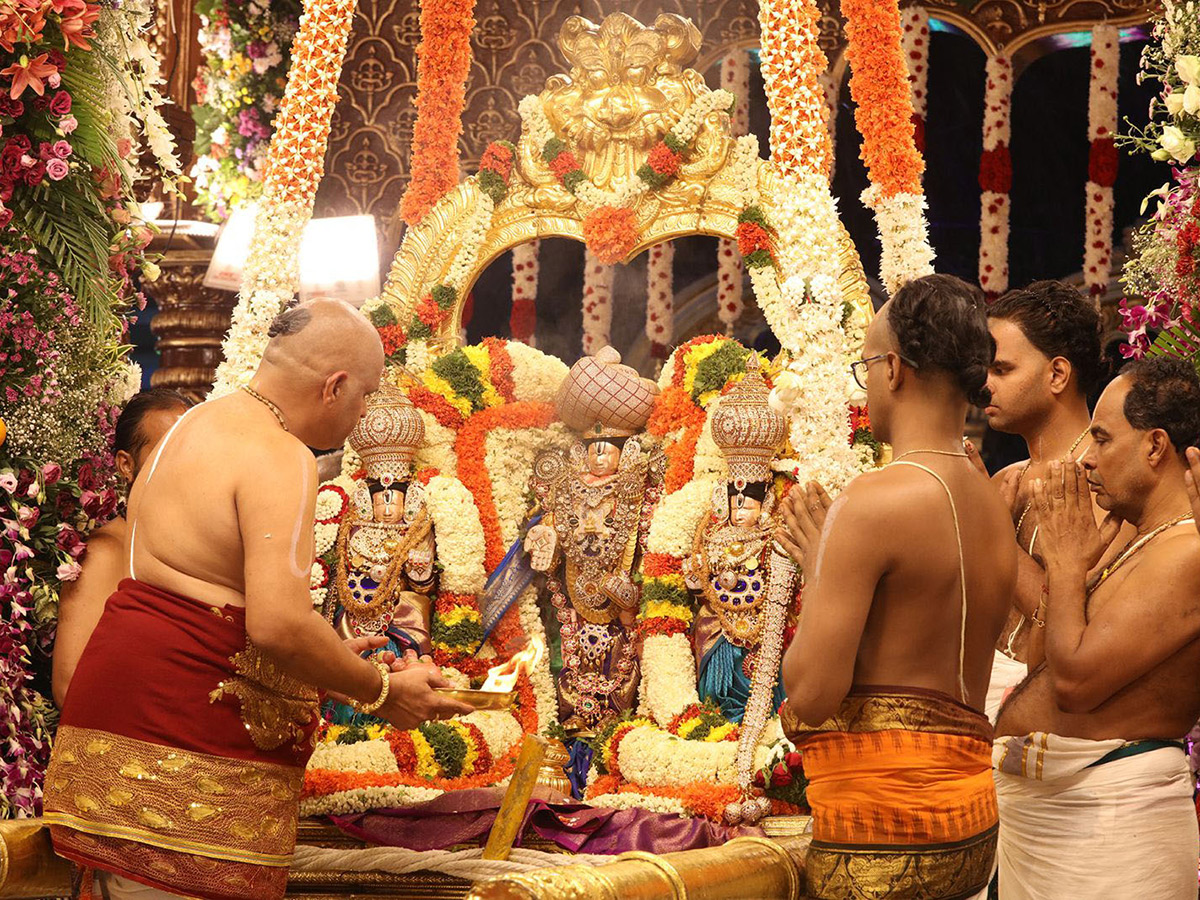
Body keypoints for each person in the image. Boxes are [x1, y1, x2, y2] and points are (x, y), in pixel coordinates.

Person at [42, 299, 473, 900]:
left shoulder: (190, 427)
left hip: (110, 734)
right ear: (335, 386)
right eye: (367, 394)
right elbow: (277, 626)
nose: (365, 411)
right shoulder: (281, 455)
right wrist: (380, 691)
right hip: (182, 745)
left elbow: (203, 587)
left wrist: (327, 657)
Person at [776, 274, 1017, 900]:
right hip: (969, 828)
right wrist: (826, 570)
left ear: (894, 370)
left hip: (883, 834)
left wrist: (819, 575)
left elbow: (811, 693)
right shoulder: (987, 496)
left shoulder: (873, 499)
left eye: (865, 366)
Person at [993, 355, 1200, 900]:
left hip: (1112, 829)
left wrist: (1063, 565)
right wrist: (1073, 572)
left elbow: (1075, 684)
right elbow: (1043, 661)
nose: (1084, 458)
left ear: (1155, 447)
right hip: (1063, 827)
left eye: (1103, 439)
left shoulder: (1187, 551)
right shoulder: (1136, 538)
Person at [978, 281, 1111, 720]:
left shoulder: (1102, 481)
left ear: (1057, 374)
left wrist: (992, 532)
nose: (984, 385)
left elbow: (1079, 622)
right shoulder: (1006, 479)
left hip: (1057, 719)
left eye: (1002, 370)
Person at [52, 388, 194, 707]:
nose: (184, 467)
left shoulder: (195, 547)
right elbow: (69, 685)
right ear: (126, 465)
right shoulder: (105, 552)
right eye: (165, 454)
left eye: (192, 452)